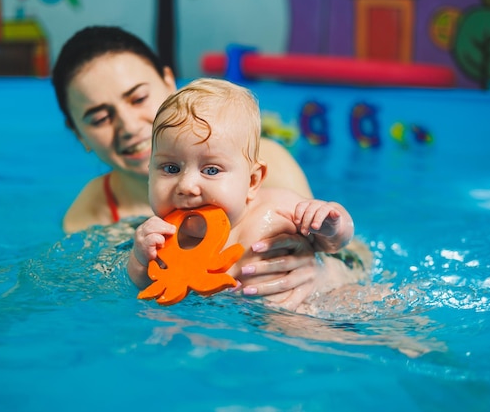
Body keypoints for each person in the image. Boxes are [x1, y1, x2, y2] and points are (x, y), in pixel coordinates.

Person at [51, 25, 369, 311]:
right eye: (100, 118)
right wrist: (134, 261)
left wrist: (325, 272)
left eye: (138, 98)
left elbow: (349, 251)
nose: (130, 126)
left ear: (167, 82)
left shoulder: (267, 166)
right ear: (78, 133)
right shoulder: (88, 217)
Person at [128, 78, 370, 313]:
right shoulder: (161, 240)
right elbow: (147, 285)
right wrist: (140, 259)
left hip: (310, 304)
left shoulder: (276, 208)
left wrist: (330, 224)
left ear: (253, 181)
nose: (187, 185)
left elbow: (336, 244)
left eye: (211, 170)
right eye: (171, 168)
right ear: (150, 173)